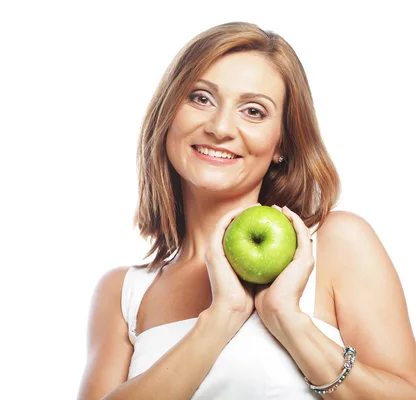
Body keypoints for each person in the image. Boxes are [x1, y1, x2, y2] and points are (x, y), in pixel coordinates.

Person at [77, 22, 416, 399]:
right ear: (168, 114)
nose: (220, 127)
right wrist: (222, 317)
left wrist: (289, 321)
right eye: (200, 98)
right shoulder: (125, 291)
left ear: (281, 144)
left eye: (253, 111)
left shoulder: (336, 243)